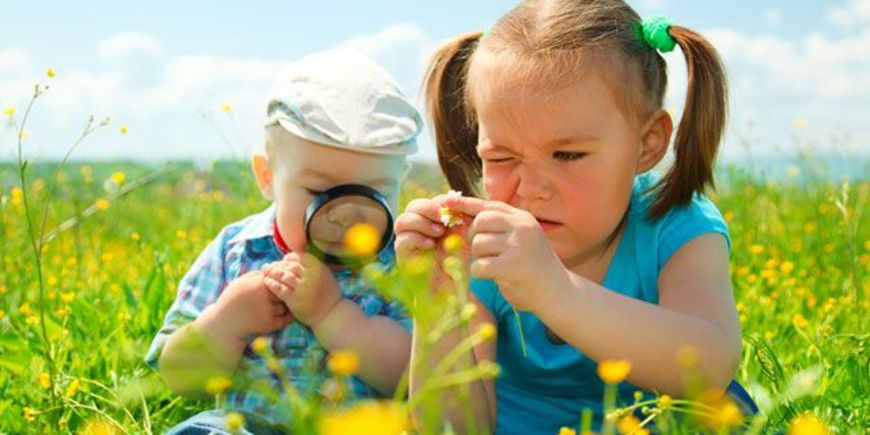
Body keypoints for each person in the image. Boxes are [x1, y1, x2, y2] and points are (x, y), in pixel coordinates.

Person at [395, 0, 756, 432]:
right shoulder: (482, 247)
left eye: (567, 155)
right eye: (501, 157)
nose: (530, 189)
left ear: (647, 144)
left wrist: (554, 291)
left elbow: (711, 366)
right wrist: (436, 302)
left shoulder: (677, 224)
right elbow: (453, 427)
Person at [146, 49, 422, 434]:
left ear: (400, 181)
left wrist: (333, 315)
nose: (345, 213)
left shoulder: (402, 262)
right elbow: (178, 376)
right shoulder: (238, 250)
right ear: (266, 176)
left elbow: (414, 380)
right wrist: (228, 319)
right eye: (319, 190)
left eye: (373, 192)